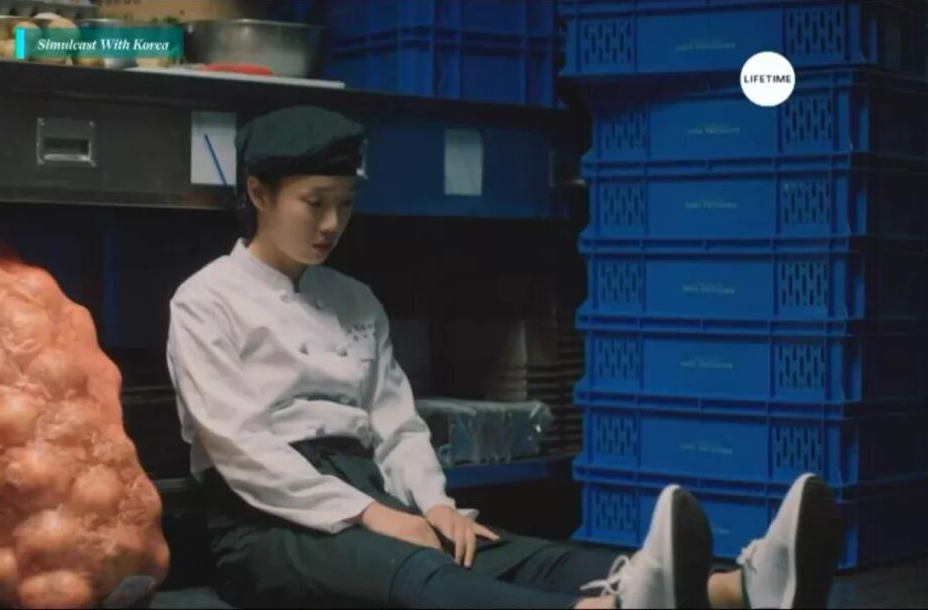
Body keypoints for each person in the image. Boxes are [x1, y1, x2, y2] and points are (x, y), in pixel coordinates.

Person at [166, 106, 844, 609]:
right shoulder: (205, 301)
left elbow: (395, 422)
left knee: (506, 552)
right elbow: (241, 448)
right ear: (258, 193)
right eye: (313, 203)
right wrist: (375, 515)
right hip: (261, 523)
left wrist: (433, 503)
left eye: (344, 205)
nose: (331, 225)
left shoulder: (354, 298)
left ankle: (742, 589)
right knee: (420, 576)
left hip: (366, 483)